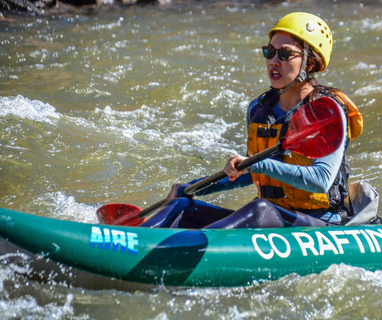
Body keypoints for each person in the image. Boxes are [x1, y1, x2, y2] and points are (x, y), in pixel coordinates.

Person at [141, 12, 363, 229]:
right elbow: (255, 173)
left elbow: (321, 179)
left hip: (320, 223)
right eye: (269, 52)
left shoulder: (326, 111)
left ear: (310, 64)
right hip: (274, 217)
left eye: (285, 54)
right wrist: (194, 188)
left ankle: (184, 250)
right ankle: (133, 237)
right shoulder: (259, 109)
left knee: (259, 208)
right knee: (181, 205)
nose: (274, 61)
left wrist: (258, 164)